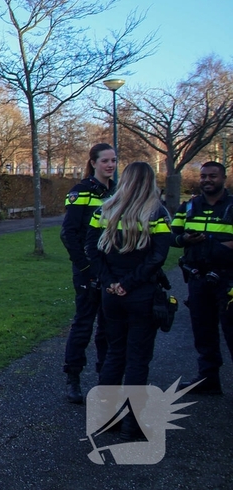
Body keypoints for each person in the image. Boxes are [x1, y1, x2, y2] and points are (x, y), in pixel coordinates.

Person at [86, 161, 172, 390]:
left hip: (111, 293)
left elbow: (91, 250)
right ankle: (133, 413)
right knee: (138, 357)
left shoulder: (104, 210)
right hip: (141, 293)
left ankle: (106, 408)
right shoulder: (157, 213)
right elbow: (158, 256)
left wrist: (109, 281)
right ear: (150, 182)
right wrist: (128, 283)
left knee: (115, 352)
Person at [59, 143, 116, 404]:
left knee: (109, 325)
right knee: (83, 324)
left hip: (111, 269)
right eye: (105, 161)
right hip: (87, 269)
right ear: (93, 163)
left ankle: (105, 379)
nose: (110, 165)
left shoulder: (117, 192)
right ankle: (73, 378)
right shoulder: (80, 192)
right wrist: (84, 267)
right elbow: (69, 233)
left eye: (113, 160)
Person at [171, 161, 233, 395]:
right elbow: (171, 236)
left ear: (223, 178)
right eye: (204, 176)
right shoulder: (189, 207)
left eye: (212, 176)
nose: (207, 180)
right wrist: (185, 240)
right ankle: (208, 379)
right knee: (203, 330)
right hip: (198, 277)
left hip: (228, 279)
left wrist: (217, 246)